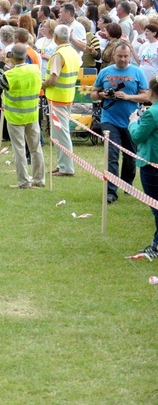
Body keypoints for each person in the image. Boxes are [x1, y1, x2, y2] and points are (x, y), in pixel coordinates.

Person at [91, 42, 149, 203]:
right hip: (109, 119)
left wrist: (128, 97)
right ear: (113, 56)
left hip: (131, 121)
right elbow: (93, 94)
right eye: (120, 56)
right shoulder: (105, 72)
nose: (123, 59)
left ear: (130, 56)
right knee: (111, 155)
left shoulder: (137, 72)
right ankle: (111, 191)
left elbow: (146, 96)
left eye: (126, 56)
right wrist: (103, 95)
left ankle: (127, 184)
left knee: (130, 157)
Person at [0, 43, 45, 188]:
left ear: (12, 56)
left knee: (19, 149)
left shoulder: (10, 75)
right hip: (32, 114)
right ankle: (39, 179)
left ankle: (23, 181)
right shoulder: (35, 70)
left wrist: (1, 64)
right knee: (35, 148)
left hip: (15, 116)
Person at [44, 24, 82, 177]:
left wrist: (42, 83)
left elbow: (53, 78)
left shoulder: (58, 55)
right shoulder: (72, 52)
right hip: (67, 96)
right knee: (61, 133)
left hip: (58, 97)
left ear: (55, 37)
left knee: (61, 134)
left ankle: (66, 167)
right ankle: (63, 165)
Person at [128, 77, 158, 258]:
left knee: (156, 207)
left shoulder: (151, 114)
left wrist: (132, 122)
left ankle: (156, 245)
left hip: (152, 163)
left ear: (151, 92)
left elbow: (138, 136)